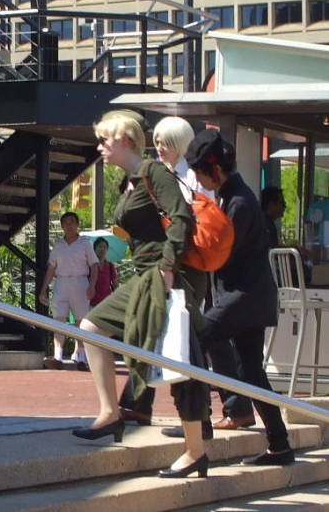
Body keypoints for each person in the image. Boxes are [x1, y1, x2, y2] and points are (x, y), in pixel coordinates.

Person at [73, 113, 210, 479]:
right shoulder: (132, 181)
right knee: (95, 328)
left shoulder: (154, 173)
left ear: (126, 140)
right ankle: (114, 414)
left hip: (162, 276)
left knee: (181, 362)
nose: (100, 147)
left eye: (105, 140)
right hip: (148, 275)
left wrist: (167, 267)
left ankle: (192, 448)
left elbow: (182, 218)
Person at [123, 116, 256, 434]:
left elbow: (194, 222)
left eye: (165, 142)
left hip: (188, 265)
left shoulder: (189, 178)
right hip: (174, 263)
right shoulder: (164, 174)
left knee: (189, 336)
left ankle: (200, 413)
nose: (159, 148)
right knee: (172, 332)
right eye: (156, 141)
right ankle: (143, 404)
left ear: (181, 144)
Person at [187, 129, 294, 466]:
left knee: (193, 339)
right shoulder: (232, 196)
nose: (200, 180)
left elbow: (218, 252)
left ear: (215, 170)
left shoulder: (239, 202)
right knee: (252, 373)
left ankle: (197, 426)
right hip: (249, 296)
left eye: (201, 173)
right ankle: (280, 445)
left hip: (243, 297)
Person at [39, 212, 97, 371]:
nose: (69, 225)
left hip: (80, 282)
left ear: (77, 224)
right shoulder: (58, 245)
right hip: (61, 282)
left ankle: (81, 355)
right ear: (62, 226)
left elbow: (94, 266)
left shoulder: (85, 243)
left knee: (81, 321)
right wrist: (44, 289)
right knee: (59, 319)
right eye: (65, 223)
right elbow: (51, 268)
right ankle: (58, 356)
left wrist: (92, 285)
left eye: (72, 222)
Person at [89, 237, 118, 307]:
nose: (102, 249)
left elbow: (115, 284)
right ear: (94, 249)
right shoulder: (89, 265)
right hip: (90, 303)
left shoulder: (110, 266)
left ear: (107, 250)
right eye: (100, 247)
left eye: (105, 247)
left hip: (106, 303)